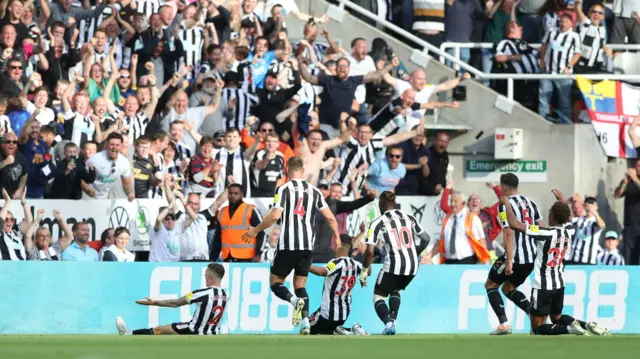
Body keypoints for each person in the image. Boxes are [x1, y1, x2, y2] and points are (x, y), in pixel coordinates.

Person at [242, 156, 341, 335]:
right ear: (302, 170)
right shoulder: (315, 191)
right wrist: (338, 238)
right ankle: (304, 322)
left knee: (275, 283)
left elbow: (273, 216)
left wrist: (255, 230)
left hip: (288, 244)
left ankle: (294, 302)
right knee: (300, 285)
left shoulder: (283, 189)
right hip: (307, 247)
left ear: (287, 170)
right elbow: (330, 217)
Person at [500, 189, 609, 336]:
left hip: (543, 286)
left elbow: (514, 224)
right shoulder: (569, 230)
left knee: (537, 329)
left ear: (552, 216)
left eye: (550, 212)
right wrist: (561, 200)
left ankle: (570, 329)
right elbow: (568, 218)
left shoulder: (543, 232)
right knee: (556, 317)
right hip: (560, 284)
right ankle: (587, 325)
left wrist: (506, 203)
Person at [360, 191, 430, 335]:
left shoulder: (377, 223)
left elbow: (369, 251)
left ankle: (389, 323)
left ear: (381, 204)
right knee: (396, 290)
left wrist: (364, 270)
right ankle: (392, 320)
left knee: (378, 296)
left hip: (394, 264)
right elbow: (426, 239)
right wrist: (414, 253)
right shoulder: (408, 217)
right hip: (412, 266)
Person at [484, 173, 543, 335]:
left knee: (491, 285)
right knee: (508, 288)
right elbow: (540, 228)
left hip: (515, 256)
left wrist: (509, 261)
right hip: (530, 258)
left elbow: (508, 232)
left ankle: (504, 324)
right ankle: (533, 315)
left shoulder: (505, 204)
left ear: (504, 187)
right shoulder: (531, 203)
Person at [116, 263, 228, 335]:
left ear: (210, 277)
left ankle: (128, 333)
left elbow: (176, 303)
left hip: (193, 330)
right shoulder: (226, 296)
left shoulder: (201, 293)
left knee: (159, 330)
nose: (204, 277)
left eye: (205, 275)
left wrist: (153, 302)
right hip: (212, 334)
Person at [308, 234, 368, 336]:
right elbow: (368, 270)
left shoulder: (336, 263)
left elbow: (322, 271)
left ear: (338, 244)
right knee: (327, 331)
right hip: (344, 315)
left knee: (307, 327)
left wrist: (304, 265)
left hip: (327, 315)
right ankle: (350, 330)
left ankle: (344, 331)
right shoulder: (355, 264)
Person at [424, 190, 490, 265]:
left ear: (464, 203)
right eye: (451, 201)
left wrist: (485, 263)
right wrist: (429, 256)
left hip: (467, 261)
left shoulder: (472, 218)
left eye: (455, 201)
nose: (452, 204)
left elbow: (481, 240)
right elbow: (441, 241)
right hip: (449, 262)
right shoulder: (447, 218)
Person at [210, 183, 264, 262]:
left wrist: (258, 253)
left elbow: (261, 232)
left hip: (247, 257)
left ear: (242, 194)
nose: (233, 196)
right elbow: (218, 238)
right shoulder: (221, 212)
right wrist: (212, 258)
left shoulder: (251, 209)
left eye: (236, 193)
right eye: (230, 193)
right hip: (227, 257)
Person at [566, 196, 604, 265]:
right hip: (573, 259)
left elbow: (601, 225)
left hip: (587, 261)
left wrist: (594, 212)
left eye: (592, 205)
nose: (589, 207)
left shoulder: (595, 221)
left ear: (596, 207)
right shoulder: (579, 219)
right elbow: (564, 218)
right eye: (587, 205)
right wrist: (565, 203)